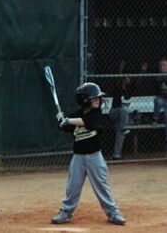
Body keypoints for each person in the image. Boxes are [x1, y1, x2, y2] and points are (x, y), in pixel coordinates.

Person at [51, 82, 126, 226]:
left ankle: (112, 212)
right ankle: (66, 212)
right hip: (78, 158)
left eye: (98, 98)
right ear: (84, 100)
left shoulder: (96, 115)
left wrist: (68, 120)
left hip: (94, 157)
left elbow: (88, 122)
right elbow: (65, 127)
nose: (98, 100)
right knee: (73, 186)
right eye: (94, 98)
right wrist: (61, 119)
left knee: (101, 185)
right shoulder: (77, 115)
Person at [108, 60, 139, 160]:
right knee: (124, 111)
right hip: (114, 112)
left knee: (120, 129)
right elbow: (118, 80)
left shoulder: (130, 90)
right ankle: (125, 128)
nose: (128, 79)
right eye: (126, 77)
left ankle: (116, 154)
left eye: (128, 77)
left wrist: (143, 70)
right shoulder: (117, 87)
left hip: (123, 117)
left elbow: (138, 81)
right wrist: (121, 71)